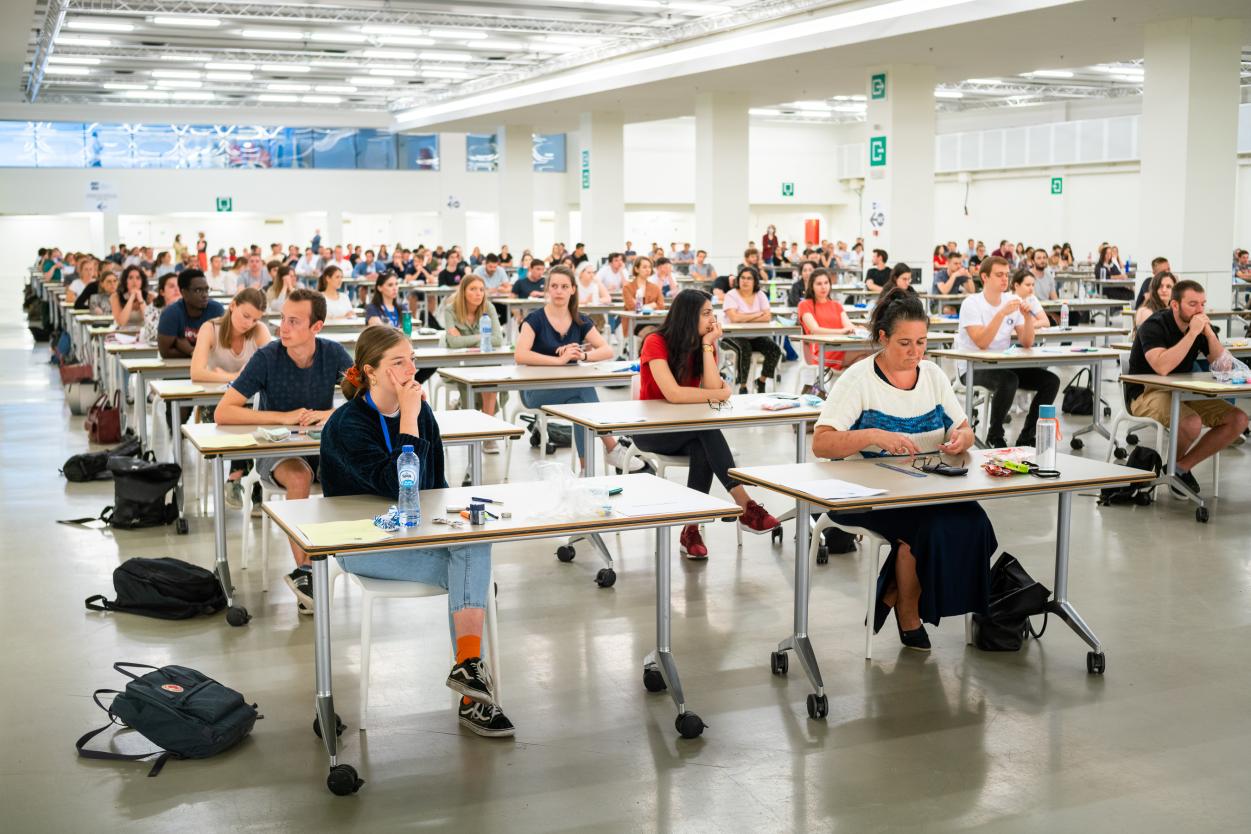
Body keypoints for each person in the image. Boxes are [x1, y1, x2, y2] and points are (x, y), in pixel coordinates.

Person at [317, 326, 514, 736]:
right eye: (398, 363)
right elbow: (397, 484)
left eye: (412, 359)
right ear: (369, 372)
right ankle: (472, 695)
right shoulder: (346, 424)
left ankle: (469, 672)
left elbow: (435, 486)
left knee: (474, 540)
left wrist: (448, 522)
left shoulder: (422, 412)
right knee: (472, 575)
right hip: (363, 543)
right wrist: (408, 415)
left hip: (417, 534)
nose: (412, 370)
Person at [811, 288, 991, 651]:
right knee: (925, 530)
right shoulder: (858, 380)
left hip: (927, 486)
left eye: (922, 343)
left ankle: (894, 590)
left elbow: (965, 429)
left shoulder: (934, 376)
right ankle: (909, 613)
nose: (915, 353)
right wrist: (873, 435)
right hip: (868, 494)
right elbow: (822, 443)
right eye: (905, 343)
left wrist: (961, 439)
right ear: (883, 338)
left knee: (975, 522)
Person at [214, 288, 353, 612]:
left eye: (294, 321)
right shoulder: (268, 357)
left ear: (316, 327)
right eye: (282, 319)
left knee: (352, 473)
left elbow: (367, 397)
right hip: (276, 453)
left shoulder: (333, 353)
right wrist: (284, 417)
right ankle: (307, 572)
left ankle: (336, 564)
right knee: (300, 477)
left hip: (320, 448)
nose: (283, 328)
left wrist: (329, 414)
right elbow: (224, 411)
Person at [633, 289, 781, 557]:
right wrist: (719, 394)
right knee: (705, 428)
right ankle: (744, 505)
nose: (712, 318)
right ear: (687, 316)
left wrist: (708, 344)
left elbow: (710, 387)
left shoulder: (703, 343)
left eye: (712, 312)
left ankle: (691, 528)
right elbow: (675, 394)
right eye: (706, 313)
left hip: (688, 430)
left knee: (704, 439)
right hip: (651, 430)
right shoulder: (655, 341)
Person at [514, 266, 644, 473]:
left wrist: (581, 355)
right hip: (535, 392)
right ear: (547, 289)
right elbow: (520, 355)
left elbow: (606, 350)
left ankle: (586, 470)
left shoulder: (579, 319)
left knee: (581, 406)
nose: (559, 291)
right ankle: (613, 447)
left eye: (564, 286)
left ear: (573, 290)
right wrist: (558, 361)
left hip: (569, 390)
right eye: (554, 286)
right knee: (583, 391)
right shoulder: (534, 319)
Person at [1124, 280, 1249, 494]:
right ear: (1174, 305)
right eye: (1193, 304)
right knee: (1191, 423)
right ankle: (1174, 472)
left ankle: (1178, 468)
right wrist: (1192, 334)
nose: (1199, 310)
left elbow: (1225, 368)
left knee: (1238, 419)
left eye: (1203, 304)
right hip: (1145, 392)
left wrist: (1208, 333)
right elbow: (1162, 367)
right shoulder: (1154, 326)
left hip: (1181, 390)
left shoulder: (1201, 328)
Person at [955, 256, 1059, 447]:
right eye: (999, 275)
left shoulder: (1013, 300)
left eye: (1007, 275)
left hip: (1003, 363)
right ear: (984, 277)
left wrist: (1027, 318)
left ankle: (1027, 437)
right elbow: (982, 342)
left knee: (1051, 381)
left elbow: (1027, 342)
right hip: (974, 366)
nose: (1005, 279)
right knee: (1009, 380)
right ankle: (995, 436)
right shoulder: (972, 303)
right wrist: (1001, 313)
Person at [191, 287, 271, 384]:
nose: (249, 324)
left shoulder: (260, 330)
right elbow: (196, 373)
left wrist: (224, 376)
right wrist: (236, 376)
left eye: (255, 320)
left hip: (250, 397)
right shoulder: (209, 328)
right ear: (233, 305)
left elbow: (270, 372)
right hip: (215, 395)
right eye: (246, 316)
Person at [721, 268, 782, 394]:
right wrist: (757, 314)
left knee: (774, 349)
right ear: (738, 279)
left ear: (755, 281)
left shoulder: (760, 295)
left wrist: (744, 317)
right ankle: (742, 386)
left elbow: (767, 317)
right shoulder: (731, 295)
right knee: (745, 347)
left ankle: (761, 380)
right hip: (731, 337)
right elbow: (734, 318)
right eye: (742, 277)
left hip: (755, 336)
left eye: (749, 278)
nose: (745, 281)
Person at [798, 268, 870, 372]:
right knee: (872, 350)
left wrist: (858, 329)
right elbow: (815, 330)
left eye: (826, 283)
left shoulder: (836, 305)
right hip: (822, 351)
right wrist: (841, 331)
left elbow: (848, 325)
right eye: (819, 284)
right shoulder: (804, 305)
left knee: (862, 361)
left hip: (843, 348)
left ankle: (845, 388)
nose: (823, 287)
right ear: (812, 286)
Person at [157, 269, 226, 359]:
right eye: (198, 290)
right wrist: (200, 353)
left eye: (206, 289)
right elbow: (165, 353)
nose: (205, 295)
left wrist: (190, 350)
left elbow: (222, 348)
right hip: (177, 368)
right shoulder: (170, 314)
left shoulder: (216, 310)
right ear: (184, 293)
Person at [144, 272, 180, 344]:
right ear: (162, 292)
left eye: (179, 286)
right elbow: (159, 335)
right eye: (172, 286)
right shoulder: (151, 310)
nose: (177, 289)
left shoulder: (188, 308)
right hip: (155, 351)